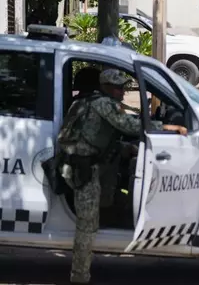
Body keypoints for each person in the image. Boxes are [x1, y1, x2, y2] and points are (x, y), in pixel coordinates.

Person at [57, 68, 187, 284]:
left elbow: (95, 135)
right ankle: (79, 277)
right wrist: (168, 127)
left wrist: (126, 149)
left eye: (123, 88)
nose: (122, 92)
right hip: (84, 170)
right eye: (118, 88)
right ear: (106, 87)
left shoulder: (87, 102)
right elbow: (130, 125)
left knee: (98, 212)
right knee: (87, 227)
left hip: (78, 166)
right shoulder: (103, 103)